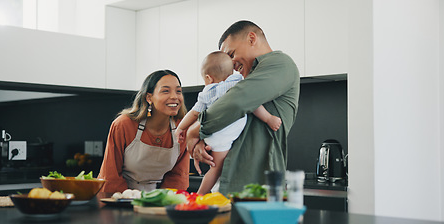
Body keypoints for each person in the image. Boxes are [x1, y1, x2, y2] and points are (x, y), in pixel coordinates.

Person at [186, 20, 300, 194]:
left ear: (251, 38)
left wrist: (195, 131)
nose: (230, 65)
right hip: (227, 184)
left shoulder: (281, 63)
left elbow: (236, 101)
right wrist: (206, 141)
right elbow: (229, 119)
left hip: (256, 188)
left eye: (231, 54)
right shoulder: (243, 79)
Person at [175, 51, 281, 195]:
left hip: (216, 136)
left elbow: (195, 113)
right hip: (227, 133)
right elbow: (252, 103)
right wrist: (269, 119)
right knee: (249, 102)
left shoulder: (207, 92)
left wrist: (181, 128)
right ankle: (200, 195)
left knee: (215, 169)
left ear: (208, 78)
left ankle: (200, 195)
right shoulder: (237, 83)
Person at [98, 70, 190, 193]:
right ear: (149, 97)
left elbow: (178, 176)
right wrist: (127, 199)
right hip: (119, 196)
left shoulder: (182, 127)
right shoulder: (123, 125)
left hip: (158, 198)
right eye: (165, 91)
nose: (174, 96)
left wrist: (161, 200)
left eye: (178, 91)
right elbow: (111, 174)